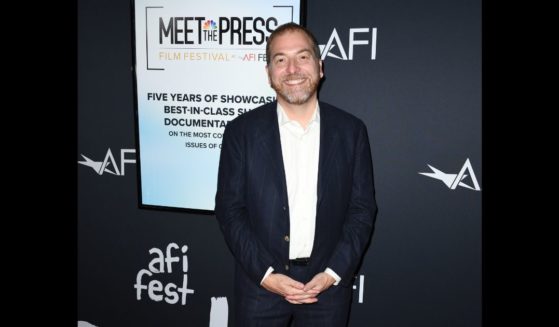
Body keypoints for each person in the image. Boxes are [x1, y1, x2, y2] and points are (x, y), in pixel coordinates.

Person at [215, 22, 377, 327]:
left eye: (302, 57)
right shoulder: (241, 132)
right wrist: (266, 275)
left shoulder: (351, 132)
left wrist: (332, 273)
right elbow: (229, 209)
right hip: (260, 288)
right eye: (280, 59)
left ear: (320, 66)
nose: (292, 69)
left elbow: (362, 209)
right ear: (268, 73)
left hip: (327, 292)